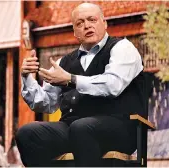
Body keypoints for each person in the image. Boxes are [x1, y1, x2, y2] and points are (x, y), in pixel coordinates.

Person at [16, 3, 147, 166]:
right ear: (74, 31)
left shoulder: (122, 48)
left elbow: (113, 85)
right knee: (27, 133)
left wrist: (71, 79)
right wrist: (27, 77)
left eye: (92, 20)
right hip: (71, 127)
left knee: (82, 128)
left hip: (119, 127)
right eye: (80, 23)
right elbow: (45, 104)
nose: (87, 26)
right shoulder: (63, 62)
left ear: (104, 23)